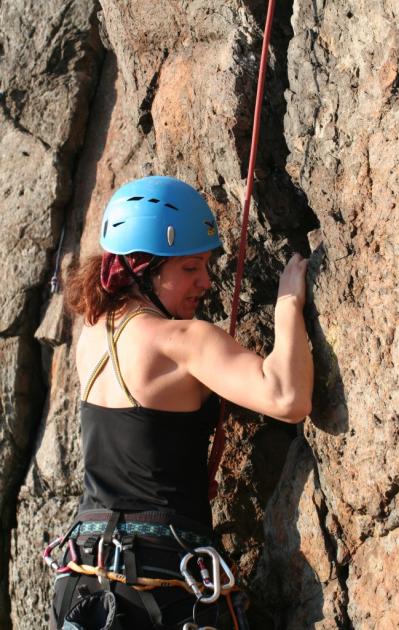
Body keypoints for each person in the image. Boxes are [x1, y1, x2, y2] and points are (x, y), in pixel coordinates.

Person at [49, 175, 313, 629]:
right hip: (158, 587)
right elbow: (288, 397)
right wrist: (288, 303)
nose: (205, 282)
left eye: (206, 265)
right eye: (190, 268)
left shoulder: (91, 331)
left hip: (82, 578)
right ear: (143, 266)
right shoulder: (181, 341)